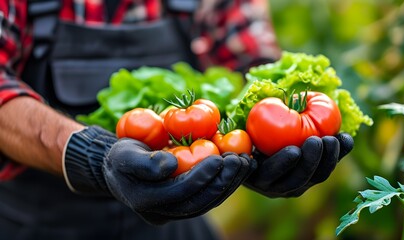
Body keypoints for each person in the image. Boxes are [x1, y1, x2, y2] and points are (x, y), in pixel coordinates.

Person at [0, 0, 354, 239]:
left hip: (177, 220)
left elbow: (251, 62)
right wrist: (92, 155)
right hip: (33, 222)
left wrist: (266, 144)